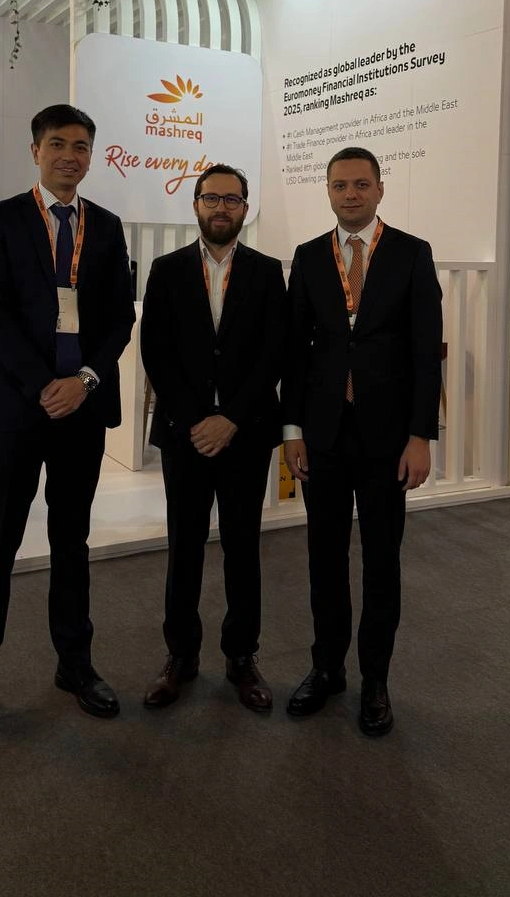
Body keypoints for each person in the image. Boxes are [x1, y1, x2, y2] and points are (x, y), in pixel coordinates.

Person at [0, 104, 135, 748]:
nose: (70, 156)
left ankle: (74, 665)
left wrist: (83, 382)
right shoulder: (1, 219)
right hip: (17, 411)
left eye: (81, 146)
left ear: (91, 155)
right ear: (35, 151)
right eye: (58, 144)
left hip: (82, 409)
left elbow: (118, 318)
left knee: (71, 541)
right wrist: (42, 385)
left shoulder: (105, 226)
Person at [282, 147, 442, 737]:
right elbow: (294, 351)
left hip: (387, 439)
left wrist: (420, 436)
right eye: (340, 185)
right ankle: (326, 669)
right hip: (322, 436)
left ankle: (376, 679)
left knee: (381, 561)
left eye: (360, 184)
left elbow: (425, 353)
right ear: (327, 191)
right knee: (323, 559)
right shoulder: (308, 256)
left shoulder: (411, 253)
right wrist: (292, 430)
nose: (350, 194)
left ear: (379, 189)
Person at [140, 164, 285, 714]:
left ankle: (242, 656)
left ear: (246, 208)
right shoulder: (167, 270)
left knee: (244, 548)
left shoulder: (267, 272)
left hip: (246, 435)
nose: (221, 207)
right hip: (185, 434)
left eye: (232, 199)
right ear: (195, 204)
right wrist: (196, 419)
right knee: (184, 547)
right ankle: (180, 656)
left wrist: (232, 419)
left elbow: (275, 352)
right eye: (211, 198)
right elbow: (156, 349)